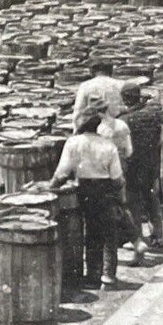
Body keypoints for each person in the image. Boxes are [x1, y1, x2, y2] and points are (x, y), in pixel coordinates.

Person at [50, 107, 125, 289]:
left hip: (84, 190)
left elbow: (62, 173)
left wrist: (50, 187)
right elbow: (117, 178)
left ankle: (92, 275)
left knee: (90, 232)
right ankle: (108, 276)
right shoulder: (108, 145)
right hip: (105, 189)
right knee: (108, 233)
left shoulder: (73, 143)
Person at [96, 104, 145, 265]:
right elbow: (129, 151)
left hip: (104, 173)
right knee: (122, 206)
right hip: (121, 167)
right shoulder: (122, 125)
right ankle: (137, 241)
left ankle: (108, 260)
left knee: (106, 212)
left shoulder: (100, 129)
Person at [119, 82, 163, 249]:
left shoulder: (125, 120)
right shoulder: (153, 115)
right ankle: (158, 236)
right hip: (151, 163)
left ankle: (136, 237)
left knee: (133, 201)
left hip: (134, 165)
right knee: (151, 198)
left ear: (125, 99)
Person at [72, 59, 122, 124]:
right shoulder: (121, 84)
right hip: (118, 126)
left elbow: (78, 111)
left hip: (94, 127)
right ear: (111, 71)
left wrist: (76, 131)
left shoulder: (85, 86)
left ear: (92, 72)